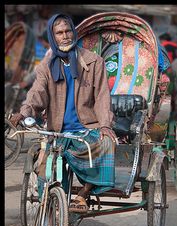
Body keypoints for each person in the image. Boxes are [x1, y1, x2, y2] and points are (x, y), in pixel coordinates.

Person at [10, 13, 117, 214]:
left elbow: (103, 96)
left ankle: (83, 194)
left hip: (86, 129)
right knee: (45, 169)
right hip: (57, 132)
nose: (65, 36)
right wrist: (23, 113)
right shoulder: (47, 66)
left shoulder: (94, 62)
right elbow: (37, 93)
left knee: (106, 143)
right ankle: (48, 220)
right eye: (59, 33)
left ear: (74, 32)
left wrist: (104, 125)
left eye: (68, 31)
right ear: (53, 36)